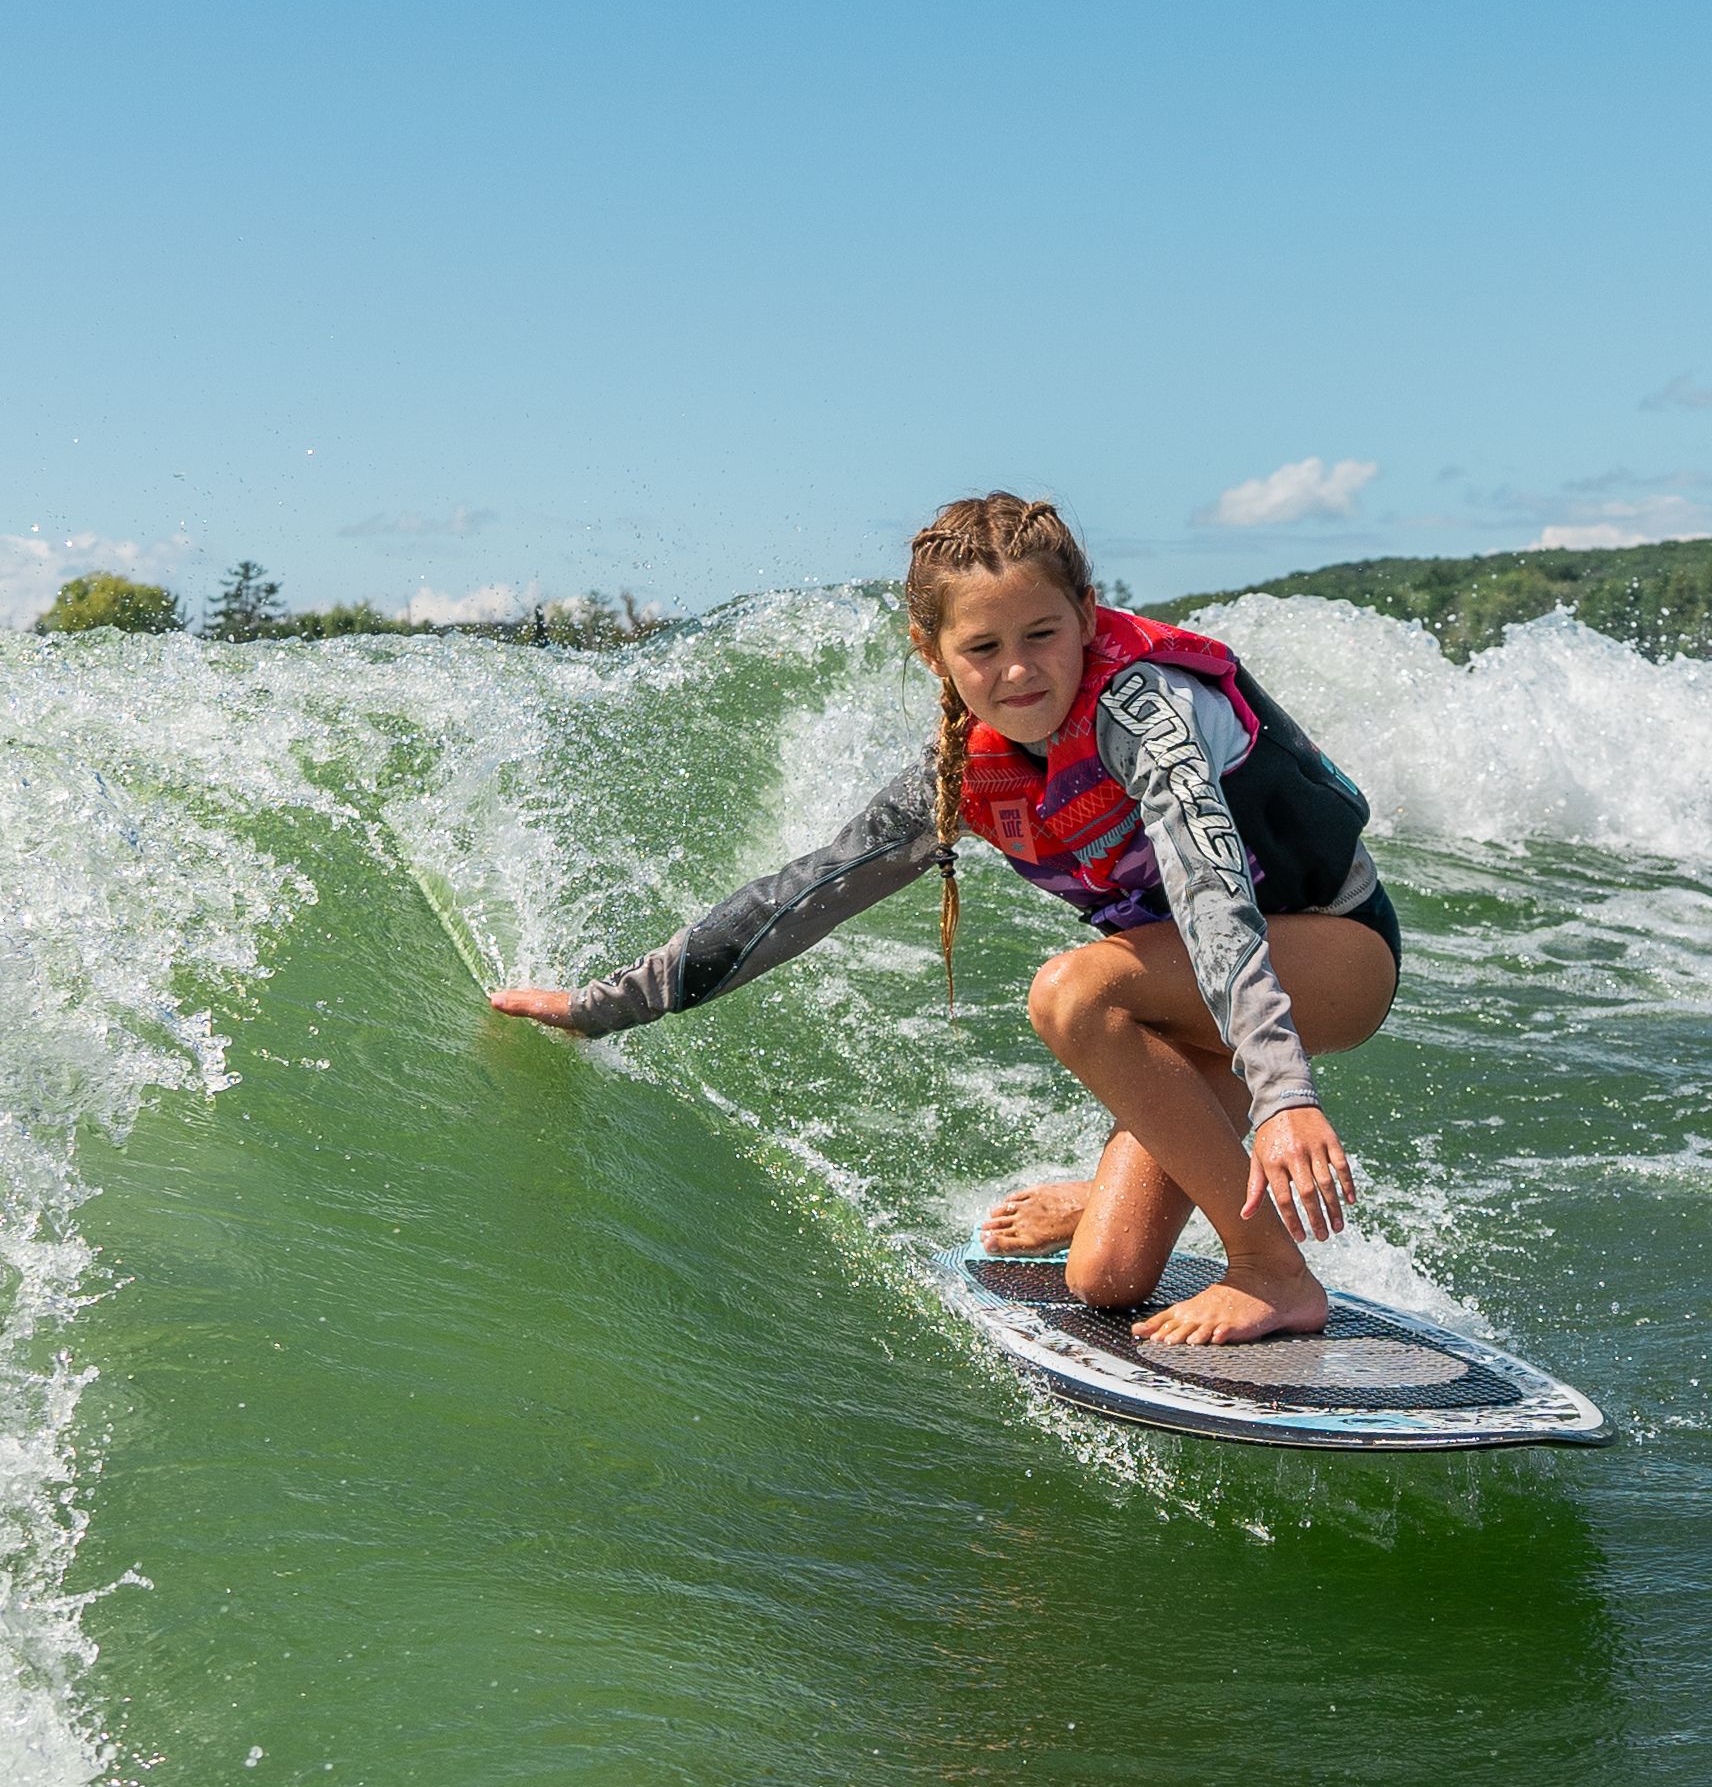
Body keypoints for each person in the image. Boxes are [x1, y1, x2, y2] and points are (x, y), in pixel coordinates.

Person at [491, 493, 1399, 1347]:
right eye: (983, 647)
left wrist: (1283, 1096)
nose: (1017, 669)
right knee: (1106, 1281)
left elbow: (1212, 894)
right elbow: (803, 897)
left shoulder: (1146, 715)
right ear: (933, 653)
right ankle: (1104, 1201)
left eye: (1043, 634)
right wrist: (605, 1005)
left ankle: (1274, 1274)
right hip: (1190, 991)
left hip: (1328, 954)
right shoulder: (964, 768)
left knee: (1073, 994)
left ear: (1088, 614)